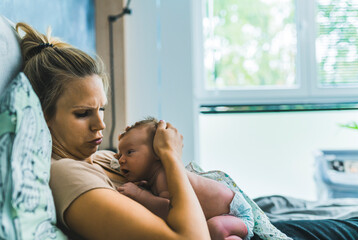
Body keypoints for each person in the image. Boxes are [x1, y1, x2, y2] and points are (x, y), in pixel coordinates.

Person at [16, 22, 211, 240]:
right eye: (82, 113)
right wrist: (171, 156)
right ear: (45, 115)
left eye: (101, 109)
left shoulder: (106, 158)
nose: (101, 125)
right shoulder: (66, 175)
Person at [114, 117, 254, 240]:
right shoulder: (153, 179)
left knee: (215, 228)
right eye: (119, 155)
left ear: (157, 152)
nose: (121, 160)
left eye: (129, 152)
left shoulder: (165, 176)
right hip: (222, 215)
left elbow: (170, 209)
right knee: (210, 230)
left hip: (235, 213)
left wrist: (139, 194)